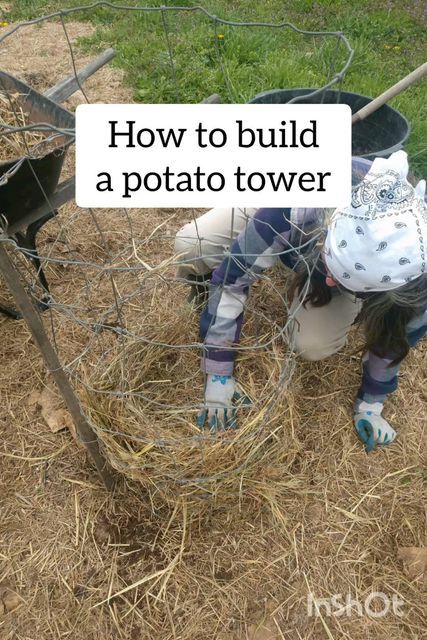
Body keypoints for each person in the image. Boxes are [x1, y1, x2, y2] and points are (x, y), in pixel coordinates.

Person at [174, 151, 427, 452]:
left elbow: (397, 334)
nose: (330, 281)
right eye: (331, 270)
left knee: (312, 344)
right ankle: (203, 287)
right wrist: (218, 370)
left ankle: (331, 276)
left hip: (339, 255)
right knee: (191, 245)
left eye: (342, 281)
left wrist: (371, 403)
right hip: (292, 206)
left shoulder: (415, 273)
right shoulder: (294, 207)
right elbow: (232, 278)